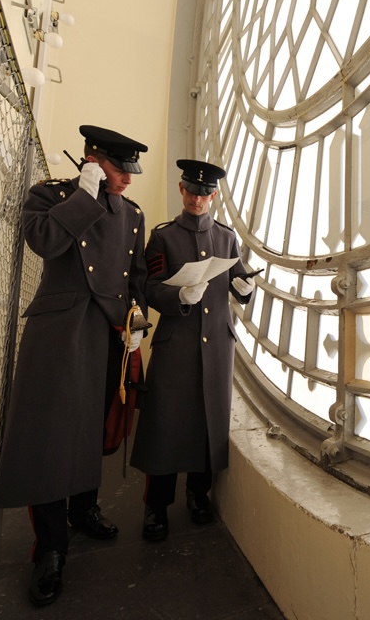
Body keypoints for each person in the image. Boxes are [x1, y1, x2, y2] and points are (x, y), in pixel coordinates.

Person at [0, 125, 150, 606]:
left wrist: (138, 318)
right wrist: (83, 197)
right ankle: (50, 549)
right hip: (62, 330)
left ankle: (83, 508)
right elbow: (43, 242)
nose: (127, 178)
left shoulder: (133, 215)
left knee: (90, 427)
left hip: (110, 331)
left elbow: (136, 274)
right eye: (118, 168)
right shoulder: (51, 195)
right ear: (92, 159)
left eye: (130, 170)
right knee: (50, 436)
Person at [129, 158, 255, 542]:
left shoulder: (226, 237)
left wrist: (247, 290)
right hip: (176, 344)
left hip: (217, 342)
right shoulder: (163, 237)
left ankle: (198, 495)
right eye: (191, 190)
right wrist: (178, 296)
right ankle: (156, 506)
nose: (197, 198)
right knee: (165, 423)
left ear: (213, 195)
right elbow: (148, 288)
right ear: (181, 189)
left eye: (204, 192)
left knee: (208, 421)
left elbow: (238, 281)